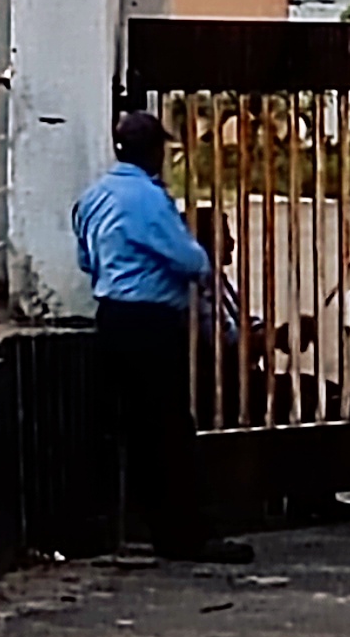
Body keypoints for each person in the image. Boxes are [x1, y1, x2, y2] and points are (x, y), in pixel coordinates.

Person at [72, 107, 242, 562]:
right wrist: (199, 261)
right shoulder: (147, 198)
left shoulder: (93, 197)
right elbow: (190, 260)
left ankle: (132, 528)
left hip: (111, 316)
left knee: (129, 427)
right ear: (153, 152)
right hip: (151, 321)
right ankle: (184, 534)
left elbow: (86, 260)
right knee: (169, 428)